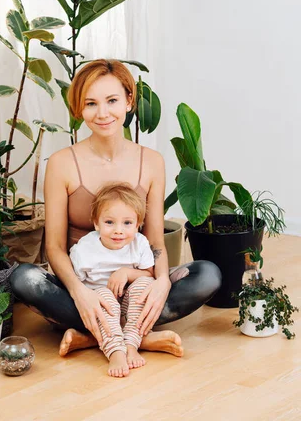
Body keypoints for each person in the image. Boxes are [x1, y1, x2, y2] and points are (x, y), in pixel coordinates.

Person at [11, 59, 222, 358]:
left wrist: (161, 282)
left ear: (128, 101)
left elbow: (155, 241)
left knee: (208, 274)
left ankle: (96, 336)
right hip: (83, 286)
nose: (103, 113)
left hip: (136, 285)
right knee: (24, 279)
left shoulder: (151, 162)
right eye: (91, 104)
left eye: (112, 100)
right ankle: (136, 337)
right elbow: (55, 248)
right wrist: (79, 293)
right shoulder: (61, 163)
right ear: (79, 109)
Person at [70, 182, 181, 378]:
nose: (118, 230)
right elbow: (78, 285)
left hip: (131, 302)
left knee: (146, 284)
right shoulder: (85, 249)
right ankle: (116, 351)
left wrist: (126, 273)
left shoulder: (139, 243)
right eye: (109, 222)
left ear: (138, 224)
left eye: (127, 223)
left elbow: (149, 274)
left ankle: (131, 343)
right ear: (96, 223)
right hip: (102, 301)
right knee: (102, 296)